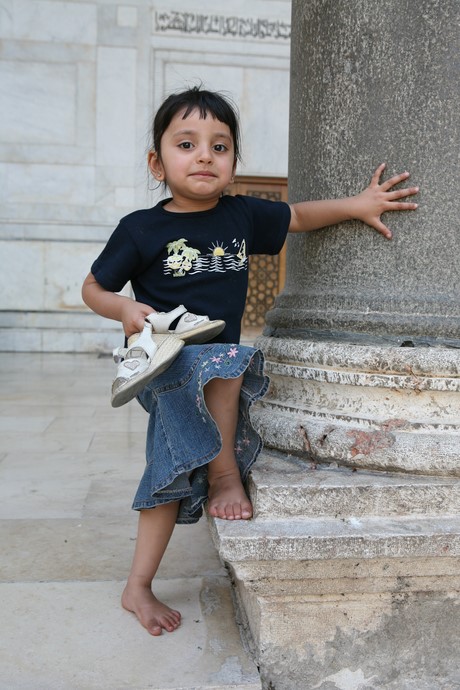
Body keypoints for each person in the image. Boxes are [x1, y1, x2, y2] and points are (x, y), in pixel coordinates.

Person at [81, 86, 419, 637]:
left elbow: (299, 215)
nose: (204, 155)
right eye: (186, 144)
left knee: (176, 456)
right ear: (157, 163)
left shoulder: (239, 215)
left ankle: (145, 573)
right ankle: (217, 485)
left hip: (220, 365)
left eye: (219, 146)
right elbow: (93, 287)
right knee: (221, 372)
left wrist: (358, 205)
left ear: (234, 163)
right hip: (164, 366)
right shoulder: (141, 228)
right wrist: (122, 307)